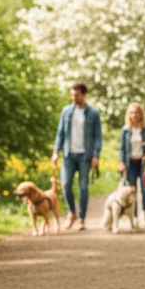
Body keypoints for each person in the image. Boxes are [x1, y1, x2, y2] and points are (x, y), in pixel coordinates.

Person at [52, 82, 103, 231]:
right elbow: (60, 133)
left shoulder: (93, 113)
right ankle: (72, 212)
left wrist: (96, 155)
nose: (74, 97)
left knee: (83, 187)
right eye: (72, 94)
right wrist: (56, 151)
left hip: (85, 156)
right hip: (68, 154)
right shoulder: (66, 111)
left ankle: (81, 218)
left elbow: (97, 137)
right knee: (66, 184)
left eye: (77, 95)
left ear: (84, 95)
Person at [119, 103, 145, 227]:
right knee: (132, 192)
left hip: (144, 164)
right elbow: (122, 149)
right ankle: (134, 217)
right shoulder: (125, 130)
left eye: (136, 112)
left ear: (141, 114)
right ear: (128, 115)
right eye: (131, 113)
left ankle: (144, 212)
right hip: (130, 164)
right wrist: (121, 162)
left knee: (144, 190)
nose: (134, 115)